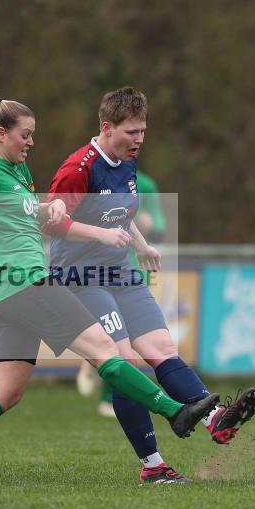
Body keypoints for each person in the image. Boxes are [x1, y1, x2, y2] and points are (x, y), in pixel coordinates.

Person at [0, 91, 220, 485]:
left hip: (3, 295)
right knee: (107, 351)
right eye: (25, 135)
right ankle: (177, 412)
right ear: (2, 133)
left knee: (6, 391)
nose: (32, 142)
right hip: (27, 283)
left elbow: (19, 215)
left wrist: (48, 209)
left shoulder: (16, 172)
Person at [43, 87, 255, 484]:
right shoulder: (78, 168)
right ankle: (153, 466)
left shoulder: (128, 162)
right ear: (107, 128)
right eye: (131, 132)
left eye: (143, 131)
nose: (139, 139)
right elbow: (49, 223)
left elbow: (119, 216)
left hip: (121, 273)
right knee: (125, 364)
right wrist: (100, 236)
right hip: (80, 277)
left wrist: (142, 245)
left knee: (162, 349)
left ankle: (215, 420)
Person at [78, 169, 167, 416]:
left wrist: (152, 225)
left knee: (127, 338)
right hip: (99, 268)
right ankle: (100, 378)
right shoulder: (91, 178)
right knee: (115, 336)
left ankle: (107, 391)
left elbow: (160, 225)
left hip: (133, 271)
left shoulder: (146, 185)